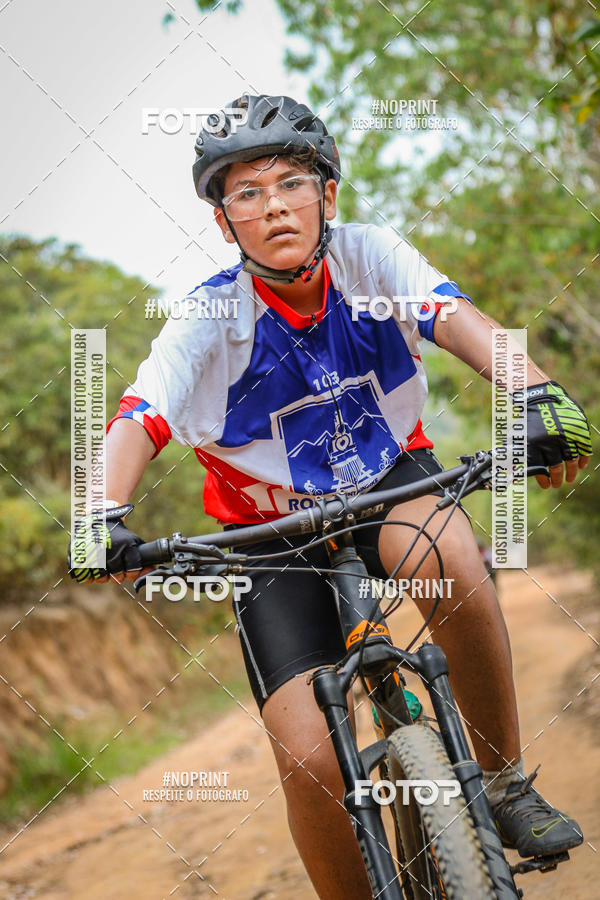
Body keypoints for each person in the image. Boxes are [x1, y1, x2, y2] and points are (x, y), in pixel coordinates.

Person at [69, 94, 592, 899]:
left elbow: (452, 317)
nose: (273, 204)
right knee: (310, 756)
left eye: (291, 182)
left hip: (389, 479)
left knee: (452, 557)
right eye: (245, 192)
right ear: (224, 223)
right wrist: (99, 515)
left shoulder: (370, 257)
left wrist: (538, 393)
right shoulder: (210, 317)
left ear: (329, 195)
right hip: (267, 535)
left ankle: (502, 782)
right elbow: (140, 417)